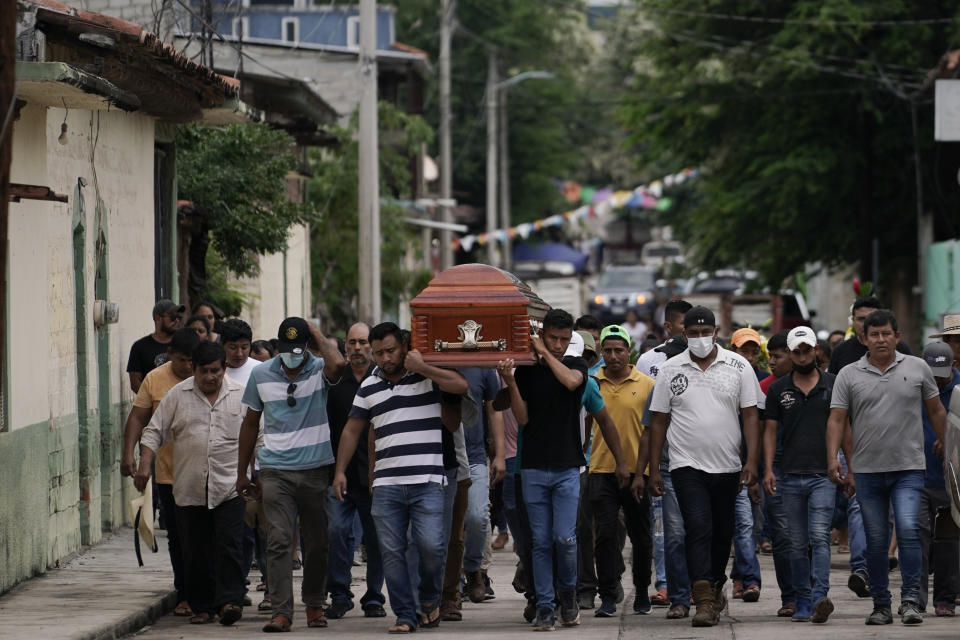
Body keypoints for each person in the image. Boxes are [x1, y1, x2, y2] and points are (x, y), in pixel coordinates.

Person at [332, 322, 468, 633]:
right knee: (391, 554)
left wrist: (423, 366)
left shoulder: (427, 376)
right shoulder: (369, 385)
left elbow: (460, 386)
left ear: (404, 347)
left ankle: (429, 599)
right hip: (387, 485)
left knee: (432, 546)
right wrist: (340, 470)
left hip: (429, 481)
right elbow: (353, 429)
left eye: (390, 350)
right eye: (378, 352)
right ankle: (406, 614)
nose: (384, 358)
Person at [827, 309, 947, 625]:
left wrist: (948, 443)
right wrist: (832, 459)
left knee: (908, 530)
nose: (881, 339)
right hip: (867, 472)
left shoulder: (918, 368)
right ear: (864, 339)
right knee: (876, 539)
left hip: (909, 468)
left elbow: (936, 410)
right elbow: (837, 419)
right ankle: (881, 604)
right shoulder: (848, 375)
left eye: (886, 334)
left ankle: (909, 602)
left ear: (897, 336)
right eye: (874, 334)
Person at [647, 306, 761, 628]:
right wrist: (655, 468)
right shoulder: (670, 369)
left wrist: (750, 461)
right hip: (686, 464)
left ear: (716, 331)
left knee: (722, 531)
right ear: (684, 335)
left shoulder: (738, 366)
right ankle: (704, 600)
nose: (699, 338)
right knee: (698, 526)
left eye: (705, 332)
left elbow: (751, 414)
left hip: (727, 465)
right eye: (693, 333)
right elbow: (658, 421)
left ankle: (713, 584)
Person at [236, 317, 345, 632]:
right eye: (287, 351)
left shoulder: (319, 369)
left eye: (298, 350)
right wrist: (242, 472)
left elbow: (338, 365)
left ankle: (313, 604)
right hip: (275, 471)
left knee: (318, 542)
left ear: (307, 346)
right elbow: (250, 424)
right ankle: (281, 612)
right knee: (279, 540)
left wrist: (317, 332)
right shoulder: (261, 373)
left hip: (314, 469)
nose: (292, 357)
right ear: (278, 347)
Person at [134, 341, 248, 626]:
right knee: (195, 550)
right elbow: (153, 433)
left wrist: (257, 474)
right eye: (204, 371)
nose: (210, 377)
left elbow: (257, 436)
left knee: (230, 545)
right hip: (188, 487)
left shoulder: (241, 395)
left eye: (216, 371)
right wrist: (144, 466)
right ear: (193, 370)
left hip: (229, 486)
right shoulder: (177, 396)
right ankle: (202, 606)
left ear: (224, 369)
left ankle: (230, 601)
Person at [496, 309, 591, 631]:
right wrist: (510, 380)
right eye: (553, 338)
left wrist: (545, 353)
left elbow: (570, 381)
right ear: (543, 333)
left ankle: (568, 596)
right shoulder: (526, 371)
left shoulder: (576, 365)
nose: (559, 345)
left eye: (564, 339)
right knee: (540, 541)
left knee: (564, 538)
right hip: (534, 468)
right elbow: (522, 418)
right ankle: (547, 606)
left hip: (567, 468)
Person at [120, 327, 200, 617]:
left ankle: (214, 591)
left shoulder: (208, 376)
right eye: (182, 360)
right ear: (170, 355)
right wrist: (130, 455)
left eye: (193, 360)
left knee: (205, 535)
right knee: (179, 537)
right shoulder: (155, 379)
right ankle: (185, 593)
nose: (188, 367)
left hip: (206, 473)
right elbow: (138, 418)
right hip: (169, 473)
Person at [763, 327, 837, 623]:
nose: (803, 355)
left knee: (819, 538)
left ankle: (820, 597)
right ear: (791, 353)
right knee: (795, 542)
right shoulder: (778, 389)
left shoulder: (833, 385)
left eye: (808, 350)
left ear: (816, 350)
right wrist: (768, 468)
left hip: (823, 475)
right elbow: (769, 431)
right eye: (797, 351)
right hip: (790, 475)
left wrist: (848, 466)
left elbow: (843, 427)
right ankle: (802, 600)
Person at [322, 322, 386, 620]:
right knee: (336, 531)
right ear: (345, 347)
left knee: (375, 540)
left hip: (375, 476)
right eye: (352, 343)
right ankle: (339, 593)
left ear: (371, 345)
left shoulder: (384, 379)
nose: (357, 348)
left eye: (362, 342)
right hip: (340, 474)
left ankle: (374, 596)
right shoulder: (334, 381)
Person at [591, 325, 653, 617]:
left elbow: (652, 432)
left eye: (619, 350)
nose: (613, 356)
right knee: (604, 535)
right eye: (608, 350)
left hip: (639, 473)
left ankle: (642, 591)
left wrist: (644, 472)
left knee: (641, 537)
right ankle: (607, 594)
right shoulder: (592, 382)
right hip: (602, 470)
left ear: (630, 352)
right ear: (601, 352)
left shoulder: (647, 384)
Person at [917, 341, 960, 616]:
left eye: (941, 373)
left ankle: (944, 599)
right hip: (916, 476)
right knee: (915, 539)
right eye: (931, 372)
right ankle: (914, 599)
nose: (936, 379)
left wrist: (951, 441)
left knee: (947, 543)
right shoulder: (914, 388)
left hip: (951, 479)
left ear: (953, 365)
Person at [726, 328, 768, 606]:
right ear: (733, 350)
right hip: (721, 462)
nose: (749, 356)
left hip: (747, 467)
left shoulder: (761, 381)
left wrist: (756, 469)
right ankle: (744, 578)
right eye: (744, 351)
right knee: (734, 526)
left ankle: (746, 578)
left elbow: (761, 429)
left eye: (754, 351)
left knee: (746, 526)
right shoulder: (724, 377)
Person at [461, 367, 506, 603]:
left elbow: (494, 411)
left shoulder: (483, 367)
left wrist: (499, 454)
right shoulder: (431, 361)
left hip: (475, 455)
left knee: (477, 518)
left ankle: (473, 569)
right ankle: (451, 585)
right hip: (439, 457)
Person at [828, 296, 911, 374]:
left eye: (871, 318)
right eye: (861, 319)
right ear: (853, 320)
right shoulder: (840, 351)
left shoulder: (900, 348)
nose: (866, 324)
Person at [127, 299, 184, 393]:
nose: (177, 320)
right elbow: (135, 382)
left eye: (179, 317)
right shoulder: (140, 347)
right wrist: (150, 400)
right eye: (172, 317)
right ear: (158, 318)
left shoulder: (184, 344)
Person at [221, 319, 258, 387]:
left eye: (244, 348)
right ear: (222, 345)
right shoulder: (213, 371)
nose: (239, 354)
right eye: (233, 348)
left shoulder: (260, 370)